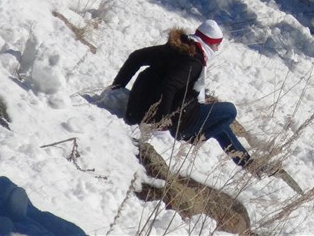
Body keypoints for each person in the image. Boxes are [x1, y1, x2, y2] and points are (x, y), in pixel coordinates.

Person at [105, 20, 253, 168]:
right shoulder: (194, 62)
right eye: (216, 45)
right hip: (174, 121)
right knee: (229, 111)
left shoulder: (174, 48)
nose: (217, 49)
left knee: (219, 123)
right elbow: (168, 87)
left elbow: (136, 57)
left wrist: (117, 87)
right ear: (208, 43)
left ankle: (246, 164)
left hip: (137, 110)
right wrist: (161, 126)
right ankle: (196, 137)